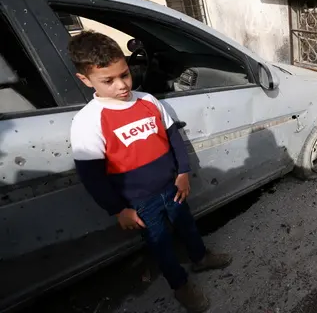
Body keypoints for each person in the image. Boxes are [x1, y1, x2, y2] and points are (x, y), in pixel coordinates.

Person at [68, 31, 231, 312]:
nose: (121, 86)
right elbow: (92, 176)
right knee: (160, 244)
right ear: (85, 79)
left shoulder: (147, 101)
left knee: (188, 225)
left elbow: (173, 138)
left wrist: (183, 172)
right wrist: (118, 209)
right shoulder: (88, 122)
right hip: (140, 202)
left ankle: (201, 258)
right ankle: (180, 286)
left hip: (172, 187)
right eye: (108, 81)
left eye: (125, 75)